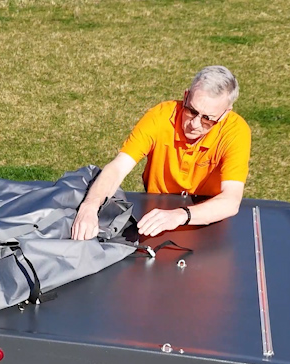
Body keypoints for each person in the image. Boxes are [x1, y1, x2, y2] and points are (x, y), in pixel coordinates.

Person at [71, 65, 251, 240]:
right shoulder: (160, 116)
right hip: (156, 214)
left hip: (207, 216)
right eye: (191, 111)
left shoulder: (236, 132)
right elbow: (119, 167)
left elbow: (230, 200)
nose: (195, 124)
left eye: (207, 119)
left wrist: (180, 215)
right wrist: (89, 206)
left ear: (225, 114)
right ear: (186, 96)